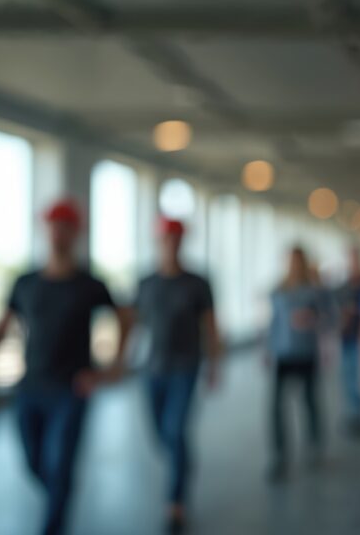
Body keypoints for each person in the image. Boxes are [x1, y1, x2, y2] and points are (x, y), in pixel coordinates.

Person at [0, 199, 132, 535]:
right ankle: (60, 492)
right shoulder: (26, 282)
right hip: (30, 388)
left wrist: (112, 366)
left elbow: (125, 318)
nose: (58, 233)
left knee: (61, 465)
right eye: (53, 225)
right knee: (35, 462)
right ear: (46, 230)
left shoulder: (89, 284)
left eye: (65, 226)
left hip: (72, 388)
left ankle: (53, 525)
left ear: (75, 233)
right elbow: (4, 326)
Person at [132, 218, 222, 533]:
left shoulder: (197, 282)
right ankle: (182, 463)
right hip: (151, 369)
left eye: (175, 238)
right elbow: (132, 323)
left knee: (175, 428)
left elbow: (211, 325)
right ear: (158, 241)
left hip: (185, 367)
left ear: (182, 242)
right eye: (166, 238)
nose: (170, 243)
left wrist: (215, 364)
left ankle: (176, 502)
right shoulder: (145, 282)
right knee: (162, 435)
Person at [266, 245, 332, 481]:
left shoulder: (315, 291)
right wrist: (266, 349)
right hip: (283, 354)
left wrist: (313, 319)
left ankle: (315, 446)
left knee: (310, 402)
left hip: (306, 353)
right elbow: (273, 321)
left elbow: (328, 318)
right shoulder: (278, 291)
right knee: (276, 407)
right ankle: (279, 454)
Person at [332, 245, 360, 437]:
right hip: (347, 338)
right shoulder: (342, 288)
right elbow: (334, 314)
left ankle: (359, 414)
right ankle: (354, 414)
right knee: (348, 378)